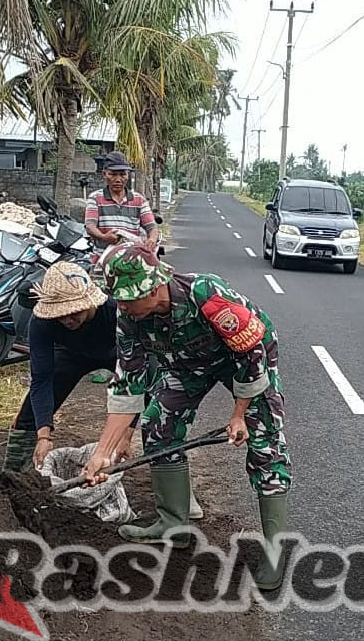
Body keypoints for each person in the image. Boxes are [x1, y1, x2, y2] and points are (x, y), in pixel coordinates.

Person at [79, 243, 291, 591]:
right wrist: (103, 453)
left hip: (245, 360)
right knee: (157, 426)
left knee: (265, 442)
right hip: (187, 365)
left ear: (153, 287)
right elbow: (128, 386)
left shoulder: (206, 295)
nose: (124, 307)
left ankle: (275, 549)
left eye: (129, 299)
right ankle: (173, 524)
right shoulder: (129, 317)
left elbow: (253, 358)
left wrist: (238, 415)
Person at [1, 260, 205, 523]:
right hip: (71, 357)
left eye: (74, 312)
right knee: (29, 414)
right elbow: (41, 379)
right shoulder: (42, 322)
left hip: (123, 356)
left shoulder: (115, 312)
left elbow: (134, 379)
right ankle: (12, 485)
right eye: (60, 314)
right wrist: (44, 434)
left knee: (160, 416)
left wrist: (126, 433)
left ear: (90, 301)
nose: (67, 319)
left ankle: (181, 498)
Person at [85, 151, 160, 253]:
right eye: (113, 174)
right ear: (104, 174)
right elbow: (90, 226)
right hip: (101, 258)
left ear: (128, 175)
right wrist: (103, 237)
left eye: (122, 174)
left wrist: (152, 240)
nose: (118, 179)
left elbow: (152, 227)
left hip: (131, 259)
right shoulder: (95, 198)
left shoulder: (139, 200)